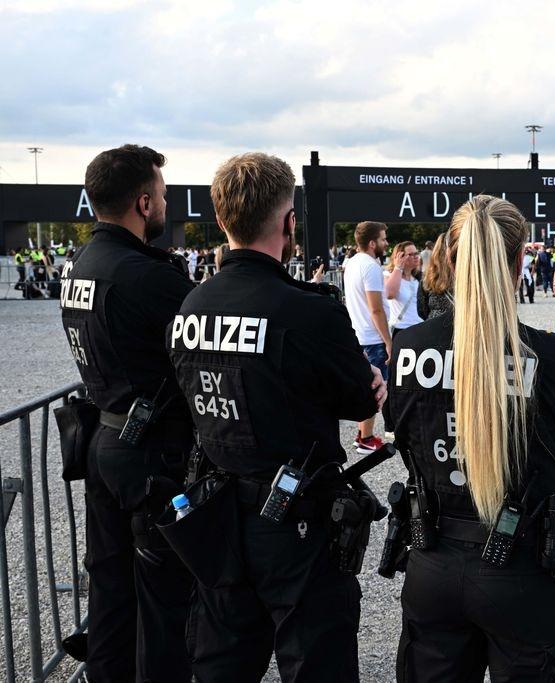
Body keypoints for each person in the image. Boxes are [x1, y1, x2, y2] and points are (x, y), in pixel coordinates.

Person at [167, 152, 385, 680]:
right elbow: (360, 398)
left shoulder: (192, 305)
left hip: (215, 511)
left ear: (222, 221)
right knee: (316, 660)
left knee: (222, 660)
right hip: (297, 521)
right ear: (290, 223)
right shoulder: (308, 310)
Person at [386, 194, 555, 681]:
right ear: (518, 261)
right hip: (525, 569)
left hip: (433, 561)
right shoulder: (548, 358)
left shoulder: (409, 348)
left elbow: (400, 433)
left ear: (448, 256)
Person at [59, 145, 194, 681]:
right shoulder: (145, 275)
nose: (164, 204)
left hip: (103, 444)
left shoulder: (80, 267)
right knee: (164, 603)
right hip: (151, 458)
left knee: (111, 595)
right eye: (161, 195)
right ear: (143, 202)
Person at [343, 220, 391, 453]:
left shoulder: (352, 263)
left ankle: (363, 433)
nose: (386, 243)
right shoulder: (371, 266)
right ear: (372, 243)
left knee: (366, 384)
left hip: (359, 333)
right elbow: (376, 309)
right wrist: (389, 341)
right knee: (375, 387)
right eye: (383, 239)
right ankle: (366, 438)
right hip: (372, 337)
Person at [385, 240, 424, 334]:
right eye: (411, 254)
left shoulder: (419, 277)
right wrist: (398, 267)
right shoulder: (388, 275)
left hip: (420, 327)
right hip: (401, 329)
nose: (416, 257)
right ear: (400, 256)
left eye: (416, 253)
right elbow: (390, 294)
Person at [417, 231, 454, 321]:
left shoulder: (427, 279)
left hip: (434, 325)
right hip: (460, 327)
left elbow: (422, 310)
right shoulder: (467, 277)